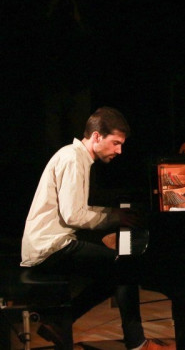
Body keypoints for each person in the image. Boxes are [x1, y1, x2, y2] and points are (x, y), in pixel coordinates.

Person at [21, 107, 175, 350]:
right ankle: (137, 344)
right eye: (115, 143)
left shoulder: (77, 156)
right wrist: (114, 218)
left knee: (117, 269)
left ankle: (60, 322)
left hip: (54, 242)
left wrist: (114, 216)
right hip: (49, 248)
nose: (119, 151)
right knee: (124, 268)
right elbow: (73, 215)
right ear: (96, 136)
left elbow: (77, 210)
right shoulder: (73, 159)